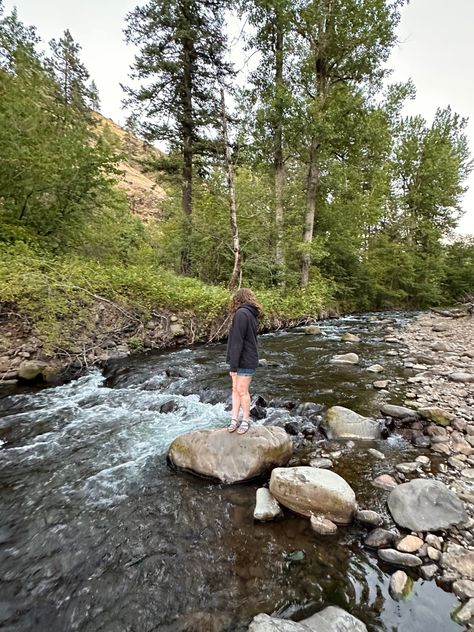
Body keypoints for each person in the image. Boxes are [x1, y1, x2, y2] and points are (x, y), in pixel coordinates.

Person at [226, 288, 262, 434]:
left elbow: (237, 341)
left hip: (245, 359)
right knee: (235, 390)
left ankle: (245, 421)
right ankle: (234, 420)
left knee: (242, 391)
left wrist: (233, 365)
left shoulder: (241, 314)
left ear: (238, 299)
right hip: (243, 358)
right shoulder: (249, 314)